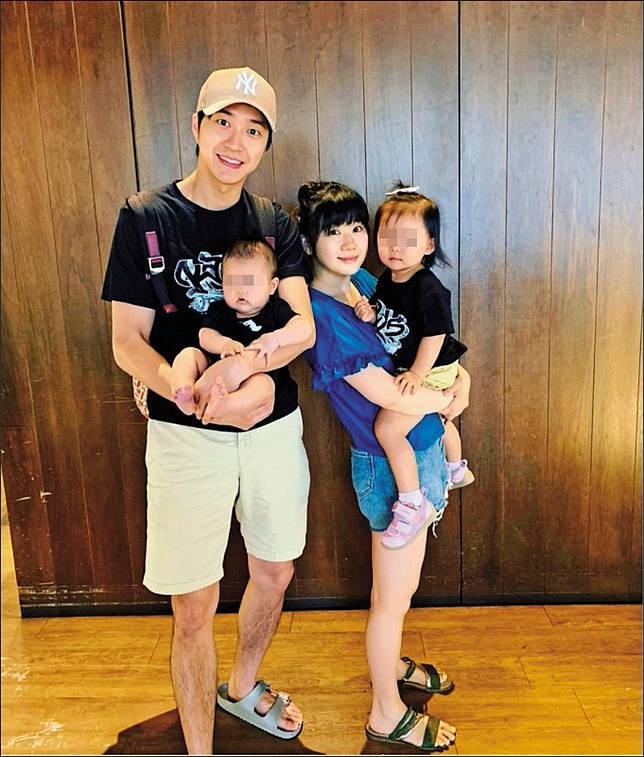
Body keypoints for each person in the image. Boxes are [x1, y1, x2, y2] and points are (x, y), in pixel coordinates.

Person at [101, 67, 314, 754]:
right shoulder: (146, 217)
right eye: (223, 122)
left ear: (265, 145)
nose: (235, 141)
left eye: (253, 130)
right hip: (184, 434)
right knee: (193, 603)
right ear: (197, 127)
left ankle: (242, 687)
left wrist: (244, 370)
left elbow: (302, 328)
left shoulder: (274, 224)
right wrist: (177, 385)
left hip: (272, 429)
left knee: (275, 569)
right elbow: (127, 341)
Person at [298, 181, 468, 751]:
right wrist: (448, 398)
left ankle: (391, 665)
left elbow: (425, 342)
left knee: (401, 591)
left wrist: (459, 381)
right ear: (309, 242)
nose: (350, 242)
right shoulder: (323, 315)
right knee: (391, 600)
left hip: (420, 451)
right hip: (388, 466)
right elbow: (391, 395)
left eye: (356, 228)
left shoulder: (366, 284)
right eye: (333, 232)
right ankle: (385, 713)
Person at [353, 183, 474, 549]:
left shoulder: (428, 288)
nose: (394, 247)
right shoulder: (388, 279)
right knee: (434, 415)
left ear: (429, 245)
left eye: (406, 239)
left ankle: (411, 502)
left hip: (434, 366)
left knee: (388, 428)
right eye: (386, 237)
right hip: (419, 366)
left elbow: (435, 336)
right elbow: (387, 314)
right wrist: (370, 312)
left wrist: (418, 375)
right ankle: (456, 467)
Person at [170, 238, 310, 416]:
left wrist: (275, 339)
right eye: (232, 282)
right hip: (211, 369)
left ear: (272, 286)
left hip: (256, 374)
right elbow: (205, 336)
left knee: (263, 386)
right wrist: (224, 344)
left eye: (250, 282)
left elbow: (304, 328)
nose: (241, 290)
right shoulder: (219, 309)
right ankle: (185, 393)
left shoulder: (275, 309)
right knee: (189, 355)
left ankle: (225, 405)